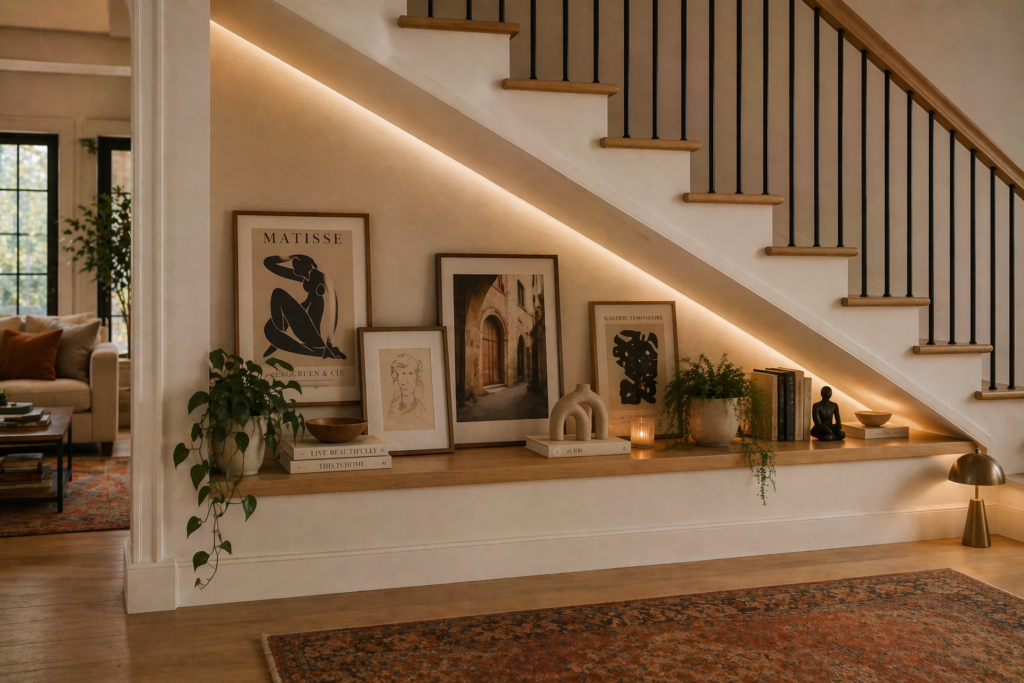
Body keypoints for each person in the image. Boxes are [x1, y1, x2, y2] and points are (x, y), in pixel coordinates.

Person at [261, 254, 345, 360]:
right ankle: (278, 333)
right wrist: (291, 257)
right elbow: (269, 263)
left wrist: (328, 341)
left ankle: (279, 333)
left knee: (278, 293)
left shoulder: (323, 278)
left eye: (296, 268)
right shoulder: (305, 275)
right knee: (279, 300)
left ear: (307, 267)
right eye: (294, 267)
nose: (294, 271)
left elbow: (334, 310)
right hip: (308, 331)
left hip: (315, 336)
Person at [386, 354, 433, 431]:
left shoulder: (421, 411)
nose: (406, 381)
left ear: (416, 376)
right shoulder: (393, 407)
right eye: (402, 374)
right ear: (396, 377)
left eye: (410, 373)